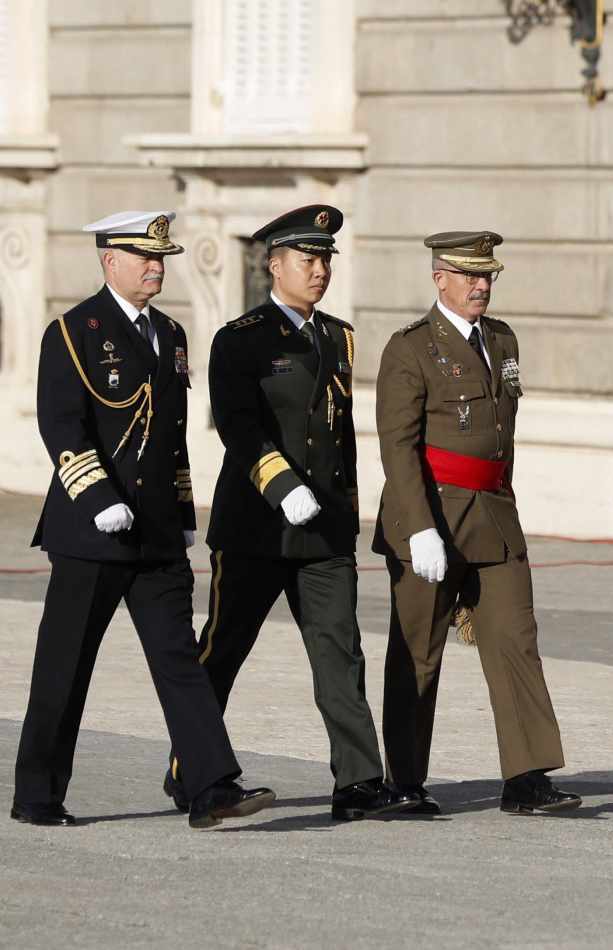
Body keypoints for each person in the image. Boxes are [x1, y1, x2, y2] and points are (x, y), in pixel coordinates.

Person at [13, 210, 274, 829]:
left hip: (155, 534)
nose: (157, 268)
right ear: (110, 261)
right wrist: (98, 498)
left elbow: (172, 437)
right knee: (65, 665)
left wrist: (183, 513)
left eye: (161, 259)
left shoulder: (171, 334)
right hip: (90, 533)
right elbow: (62, 426)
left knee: (179, 660)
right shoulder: (74, 332)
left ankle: (212, 786)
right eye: (145, 258)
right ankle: (38, 794)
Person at [168, 205, 417, 822]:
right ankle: (190, 769)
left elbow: (340, 438)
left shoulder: (337, 336)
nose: (320, 270)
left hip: (324, 531)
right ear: (274, 265)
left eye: (326, 259)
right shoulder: (240, 338)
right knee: (222, 649)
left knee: (341, 653)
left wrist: (348, 513)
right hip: (257, 526)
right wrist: (281, 486)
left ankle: (358, 783)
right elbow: (237, 425)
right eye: (307, 259)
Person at [374, 230, 579, 816]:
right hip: (432, 515)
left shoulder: (502, 338)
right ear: (440, 278)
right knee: (418, 651)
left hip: (493, 513)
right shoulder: (410, 347)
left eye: (487, 275)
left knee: (516, 640)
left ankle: (526, 776)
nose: (480, 285)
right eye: (468, 276)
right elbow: (398, 444)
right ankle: (405, 781)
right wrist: (417, 527)